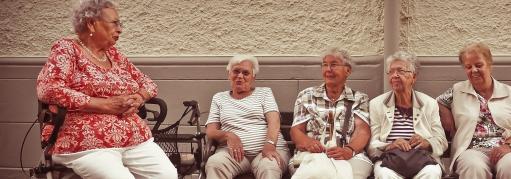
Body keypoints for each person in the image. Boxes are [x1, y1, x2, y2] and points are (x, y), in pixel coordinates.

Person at [36, 0, 177, 178]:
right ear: (91, 24)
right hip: (87, 143)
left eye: (120, 24)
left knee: (167, 175)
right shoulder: (67, 49)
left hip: (135, 140)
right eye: (115, 23)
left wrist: (139, 97)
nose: (120, 29)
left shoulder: (115, 55)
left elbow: (149, 84)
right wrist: (103, 105)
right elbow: (49, 88)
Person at [289, 47, 373, 179]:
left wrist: (349, 150)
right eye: (325, 65)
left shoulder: (359, 98)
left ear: (348, 70)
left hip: (349, 156)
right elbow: (296, 130)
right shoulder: (306, 96)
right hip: (311, 155)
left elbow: (363, 131)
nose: (328, 70)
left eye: (333, 65)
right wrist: (308, 143)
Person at [205, 55, 290, 179]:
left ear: (253, 77)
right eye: (236, 71)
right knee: (214, 164)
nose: (240, 76)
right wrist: (228, 135)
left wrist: (270, 144)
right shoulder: (219, 98)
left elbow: (274, 121)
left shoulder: (264, 93)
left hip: (267, 151)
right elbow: (211, 131)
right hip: (232, 155)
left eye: (245, 73)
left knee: (269, 167)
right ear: (229, 74)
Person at [368, 51, 447, 179]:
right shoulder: (376, 104)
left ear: (414, 77)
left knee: (431, 173)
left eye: (400, 71)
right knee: (384, 175)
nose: (395, 75)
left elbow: (442, 141)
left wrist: (426, 142)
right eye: (391, 72)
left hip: (423, 161)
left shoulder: (429, 103)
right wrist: (390, 145)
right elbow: (372, 145)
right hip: (389, 161)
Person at [437, 42, 511, 178]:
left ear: (489, 64)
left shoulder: (508, 93)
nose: (474, 70)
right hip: (471, 150)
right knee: (473, 167)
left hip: (505, 150)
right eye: (468, 67)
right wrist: (446, 115)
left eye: (478, 65)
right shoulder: (457, 90)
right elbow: (437, 102)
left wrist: (508, 146)